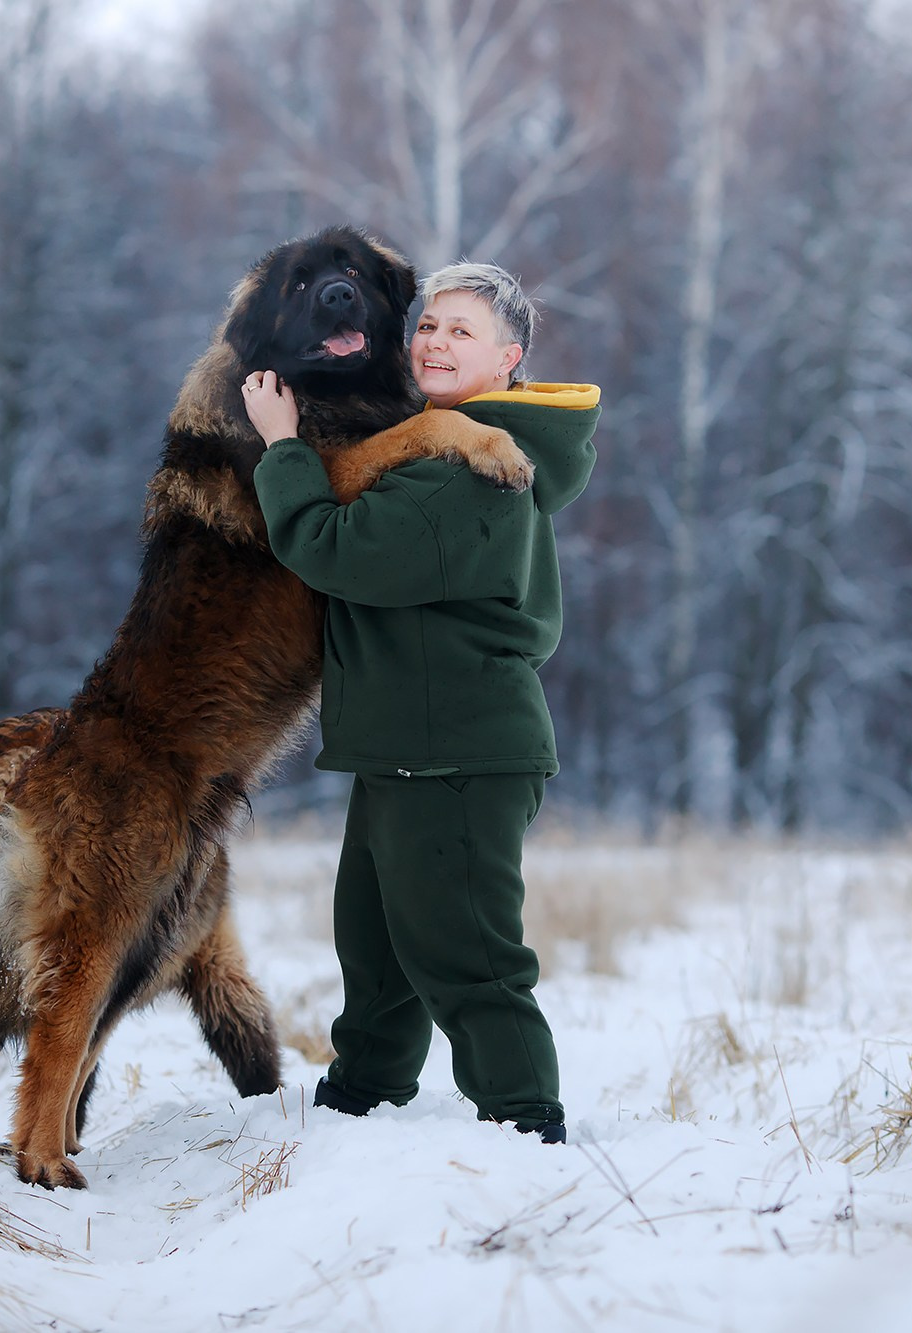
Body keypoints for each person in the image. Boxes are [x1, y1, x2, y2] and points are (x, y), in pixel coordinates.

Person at [240, 261, 600, 1142]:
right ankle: (361, 1104)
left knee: (468, 957)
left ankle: (526, 1126)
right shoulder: (449, 442)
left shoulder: (465, 471)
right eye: (429, 325)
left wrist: (283, 445)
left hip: (457, 751)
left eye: (462, 331)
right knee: (378, 954)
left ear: (510, 357)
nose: (435, 342)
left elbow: (333, 548)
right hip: (407, 744)